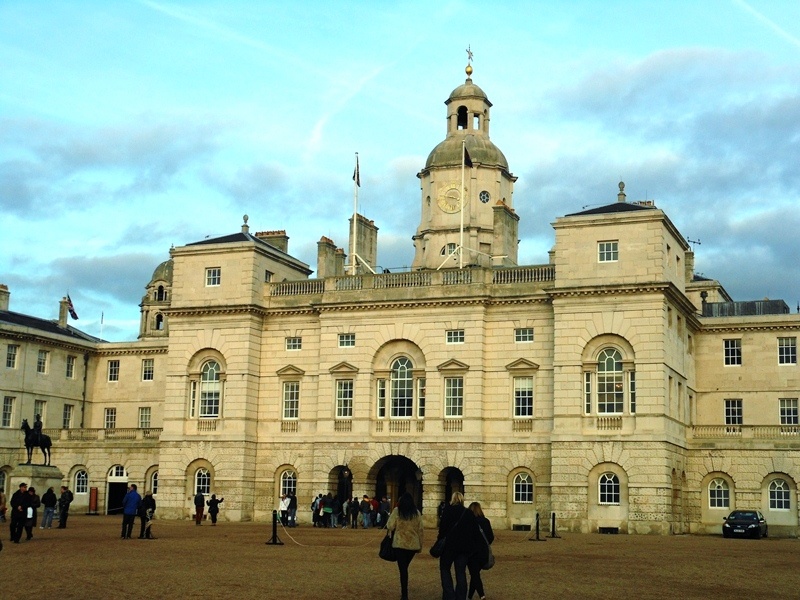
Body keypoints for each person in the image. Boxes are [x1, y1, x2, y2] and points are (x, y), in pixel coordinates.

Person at [436, 492, 479, 600]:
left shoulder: (447, 511)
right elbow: (475, 531)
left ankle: (449, 595)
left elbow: (442, 529)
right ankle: (460, 597)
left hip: (449, 547)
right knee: (461, 573)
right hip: (463, 548)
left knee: (445, 569)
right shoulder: (468, 513)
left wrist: (439, 541)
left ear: (453, 499)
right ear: (462, 500)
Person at [385, 492, 424, 600]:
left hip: (400, 543)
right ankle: (404, 594)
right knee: (404, 568)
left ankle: (404, 594)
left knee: (403, 569)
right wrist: (420, 546)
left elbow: (390, 526)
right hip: (413, 545)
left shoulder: (397, 511)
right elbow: (420, 530)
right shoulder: (416, 513)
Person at [467, 502, 494, 600]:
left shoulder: (469, 522)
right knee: (475, 575)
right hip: (483, 552)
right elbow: (491, 537)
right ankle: (469, 596)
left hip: (472, 553)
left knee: (474, 575)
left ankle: (482, 596)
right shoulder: (486, 521)